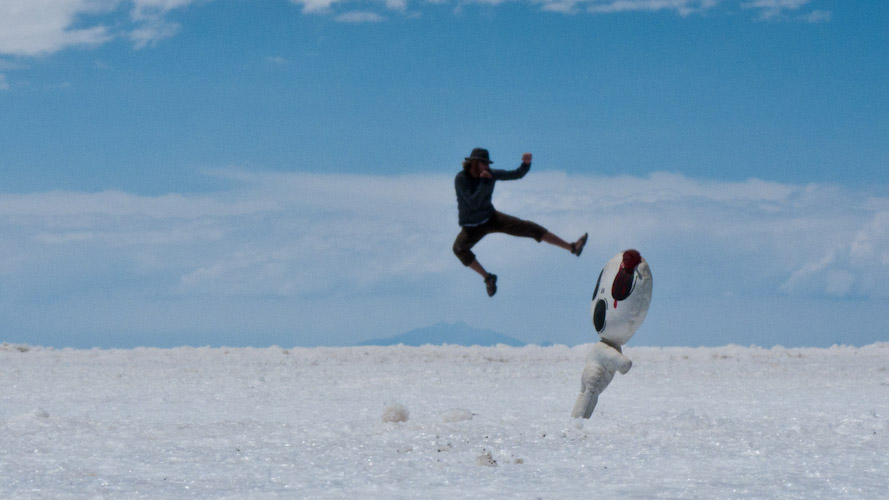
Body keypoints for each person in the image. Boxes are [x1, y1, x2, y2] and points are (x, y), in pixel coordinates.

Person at [452, 148, 588, 297]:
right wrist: (484, 182)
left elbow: (516, 174)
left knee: (529, 228)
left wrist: (526, 164)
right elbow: (473, 203)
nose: (487, 167)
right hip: (471, 228)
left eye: (487, 163)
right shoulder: (462, 179)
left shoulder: (490, 174)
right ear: (474, 163)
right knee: (459, 248)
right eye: (483, 163)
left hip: (491, 218)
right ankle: (488, 278)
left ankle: (572, 247)